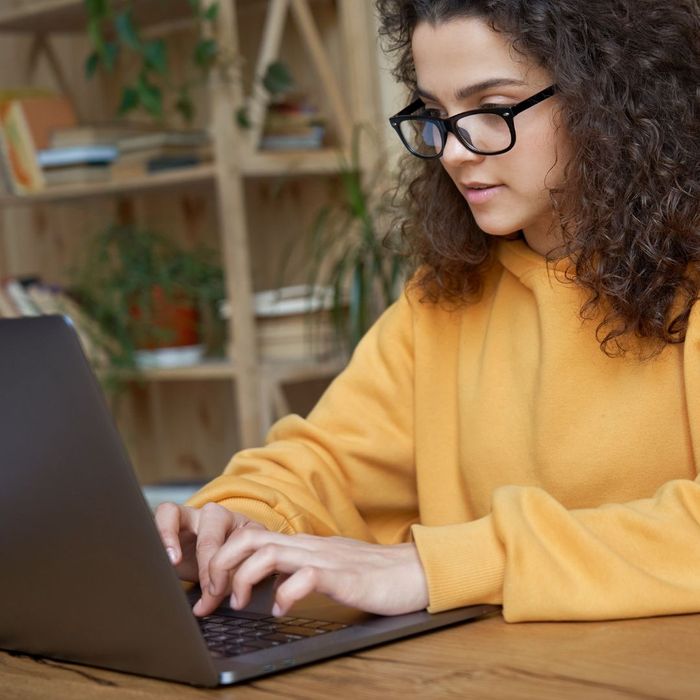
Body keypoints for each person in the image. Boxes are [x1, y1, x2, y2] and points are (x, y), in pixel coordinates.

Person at [156, 0, 700, 623]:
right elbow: (326, 461)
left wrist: (435, 566)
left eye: (493, 110)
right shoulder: (442, 298)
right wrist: (232, 524)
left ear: (613, 98)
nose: (454, 152)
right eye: (437, 115)